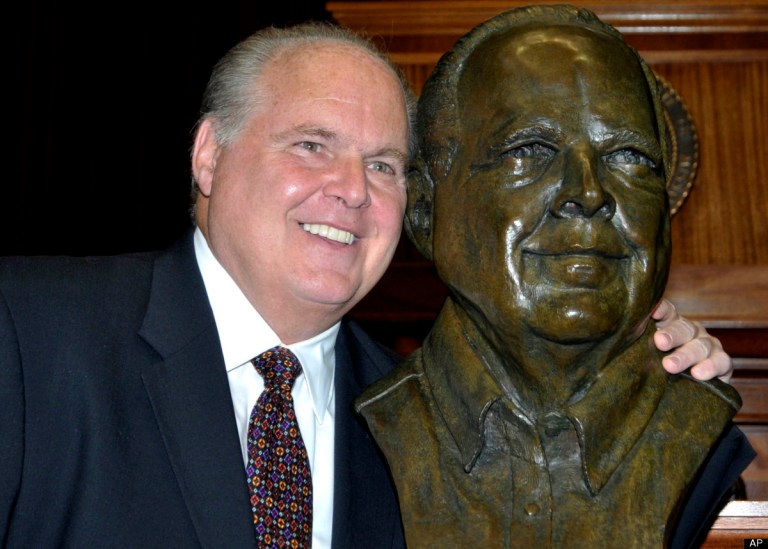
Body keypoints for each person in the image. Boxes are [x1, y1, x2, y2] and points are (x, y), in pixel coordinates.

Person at [0, 19, 735, 549]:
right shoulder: (29, 335)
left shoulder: (406, 417)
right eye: (313, 145)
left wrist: (651, 357)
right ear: (208, 157)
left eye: (383, 164)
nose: (352, 190)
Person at [356, 5, 755, 549]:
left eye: (631, 157)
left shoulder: (701, 436)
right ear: (426, 212)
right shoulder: (344, 422)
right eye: (530, 151)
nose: (589, 194)